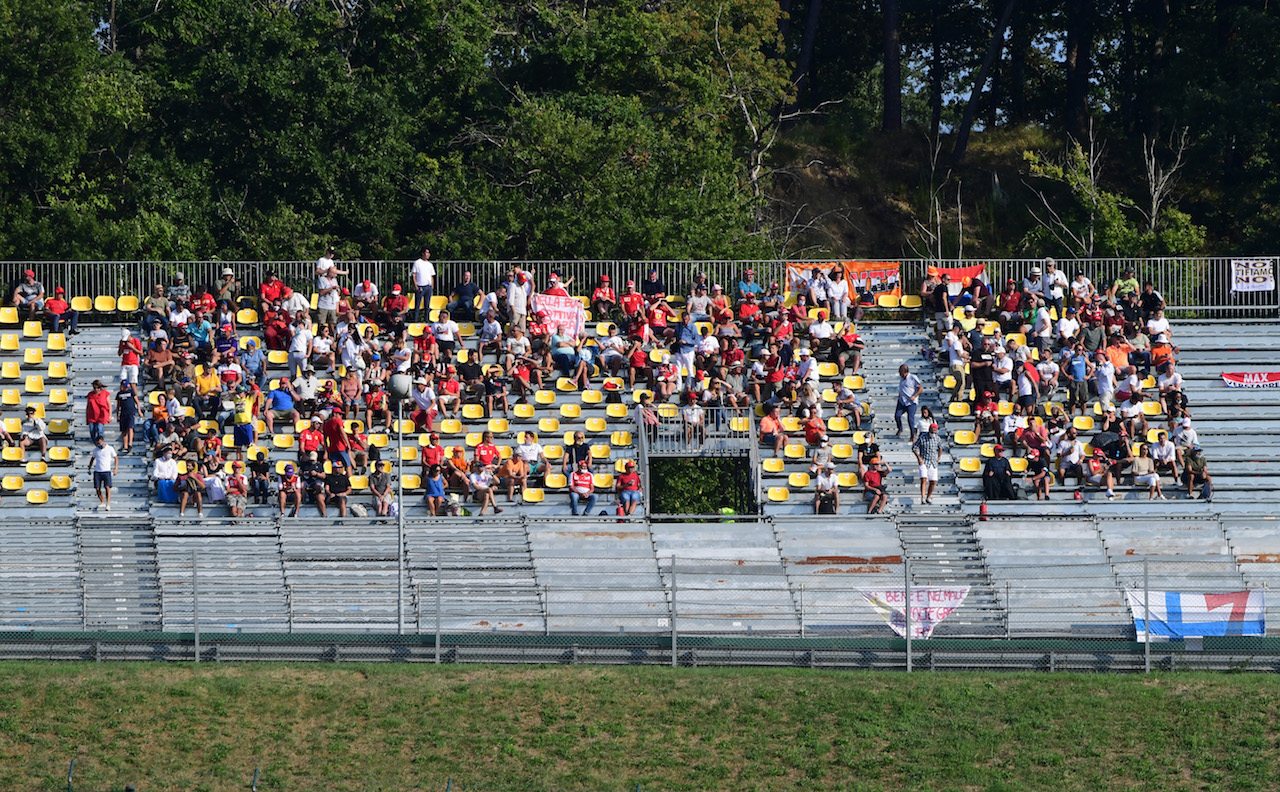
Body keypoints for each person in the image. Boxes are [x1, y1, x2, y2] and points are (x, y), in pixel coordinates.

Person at [911, 422, 942, 504]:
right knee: (924, 479)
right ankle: (923, 497)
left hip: (933, 462)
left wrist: (939, 457)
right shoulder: (922, 438)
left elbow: (940, 447)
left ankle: (928, 497)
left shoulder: (938, 438)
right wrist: (918, 458)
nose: (933, 433)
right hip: (924, 460)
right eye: (932, 431)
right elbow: (914, 448)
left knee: (933, 481)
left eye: (934, 431)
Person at [89, 434, 118, 512]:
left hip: (106, 471)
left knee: (107, 487)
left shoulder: (110, 448)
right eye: (98, 444)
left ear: (103, 442)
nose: (99, 445)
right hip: (97, 471)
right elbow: (92, 458)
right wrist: (89, 468)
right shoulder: (95, 450)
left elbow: (116, 458)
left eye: (100, 443)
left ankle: (108, 503)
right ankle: (103, 501)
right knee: (97, 488)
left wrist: (115, 468)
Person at [894, 364, 923, 441]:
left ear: (904, 372)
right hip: (902, 401)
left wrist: (914, 396)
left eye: (900, 372)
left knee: (910, 419)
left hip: (911, 402)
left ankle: (912, 436)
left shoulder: (912, 378)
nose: (899, 374)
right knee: (897, 415)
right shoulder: (902, 379)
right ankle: (900, 428)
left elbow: (920, 388)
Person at [116, 380, 142, 454]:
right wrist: (117, 415)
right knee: (124, 430)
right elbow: (118, 406)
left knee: (130, 428)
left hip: (130, 413)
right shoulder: (119, 394)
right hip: (123, 413)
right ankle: (125, 445)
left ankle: (130, 444)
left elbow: (137, 401)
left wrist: (139, 411)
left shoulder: (131, 392)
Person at [411, 247, 435, 323]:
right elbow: (413, 275)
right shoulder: (417, 263)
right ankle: (415, 321)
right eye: (426, 252)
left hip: (428, 286)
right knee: (417, 305)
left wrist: (432, 286)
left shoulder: (430, 264)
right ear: (423, 253)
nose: (428, 254)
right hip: (420, 286)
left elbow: (432, 276)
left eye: (429, 253)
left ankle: (426, 321)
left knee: (427, 305)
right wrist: (416, 286)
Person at [85, 380, 111, 445]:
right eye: (94, 388)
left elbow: (109, 405)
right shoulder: (90, 395)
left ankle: (101, 445)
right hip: (92, 416)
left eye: (98, 388)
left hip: (101, 415)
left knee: (100, 431)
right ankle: (96, 445)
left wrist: (109, 416)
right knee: (92, 431)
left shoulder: (105, 393)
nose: (96, 389)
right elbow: (88, 406)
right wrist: (87, 417)